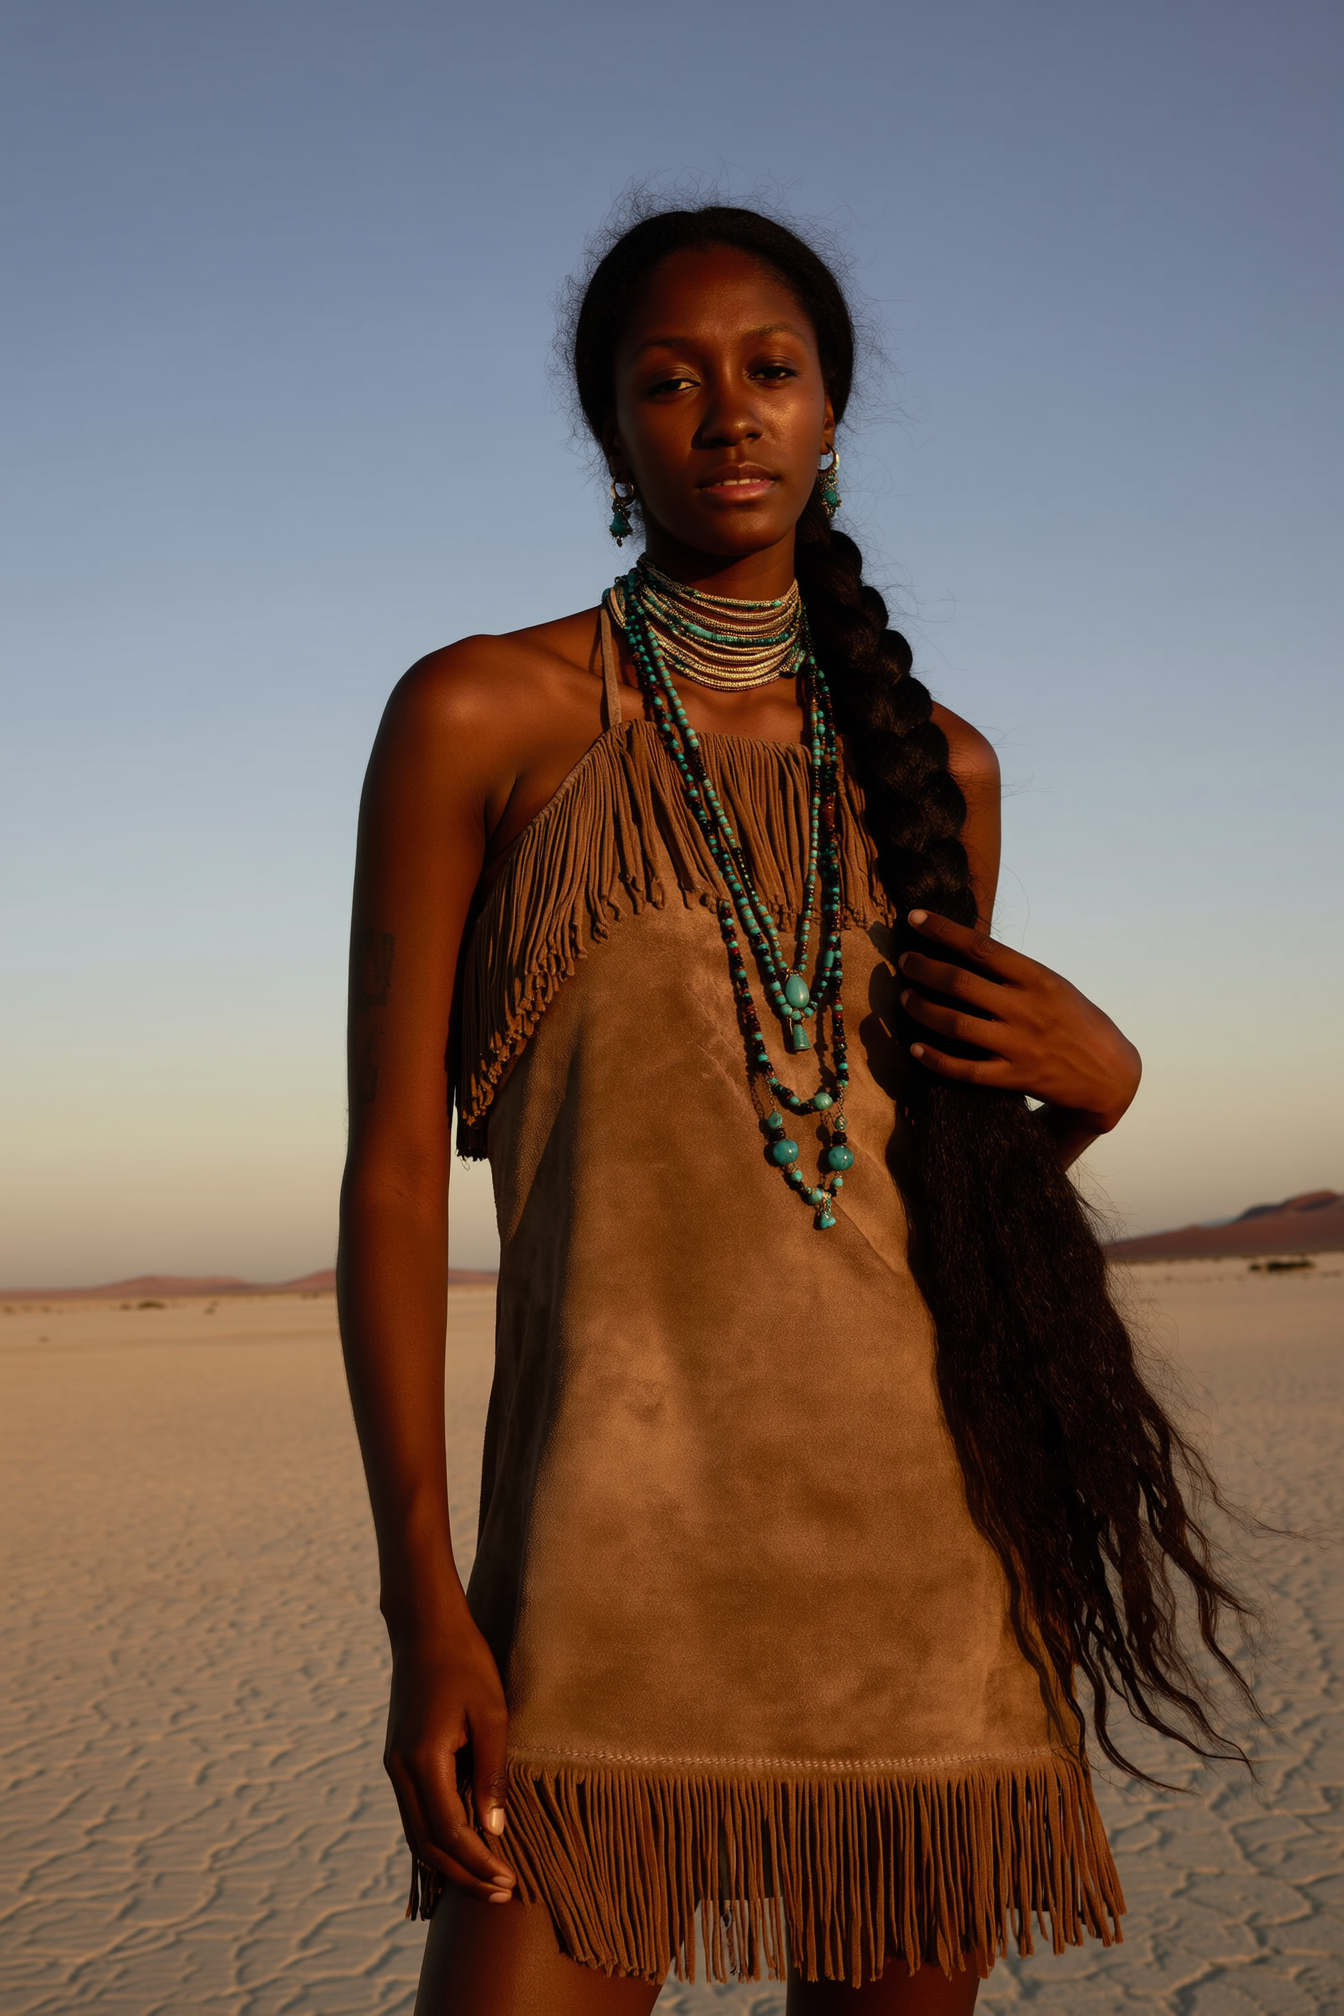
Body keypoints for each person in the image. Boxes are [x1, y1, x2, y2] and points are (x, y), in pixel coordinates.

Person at [337, 205, 1251, 2015]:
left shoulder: (940, 765)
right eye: (670, 381)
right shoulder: (481, 715)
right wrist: (422, 1608)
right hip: (602, 1583)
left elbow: (918, 1179)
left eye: (772, 372)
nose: (728, 414)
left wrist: (1097, 1096)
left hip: (919, 1576)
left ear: (833, 411)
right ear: (611, 431)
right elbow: (381, 1183)